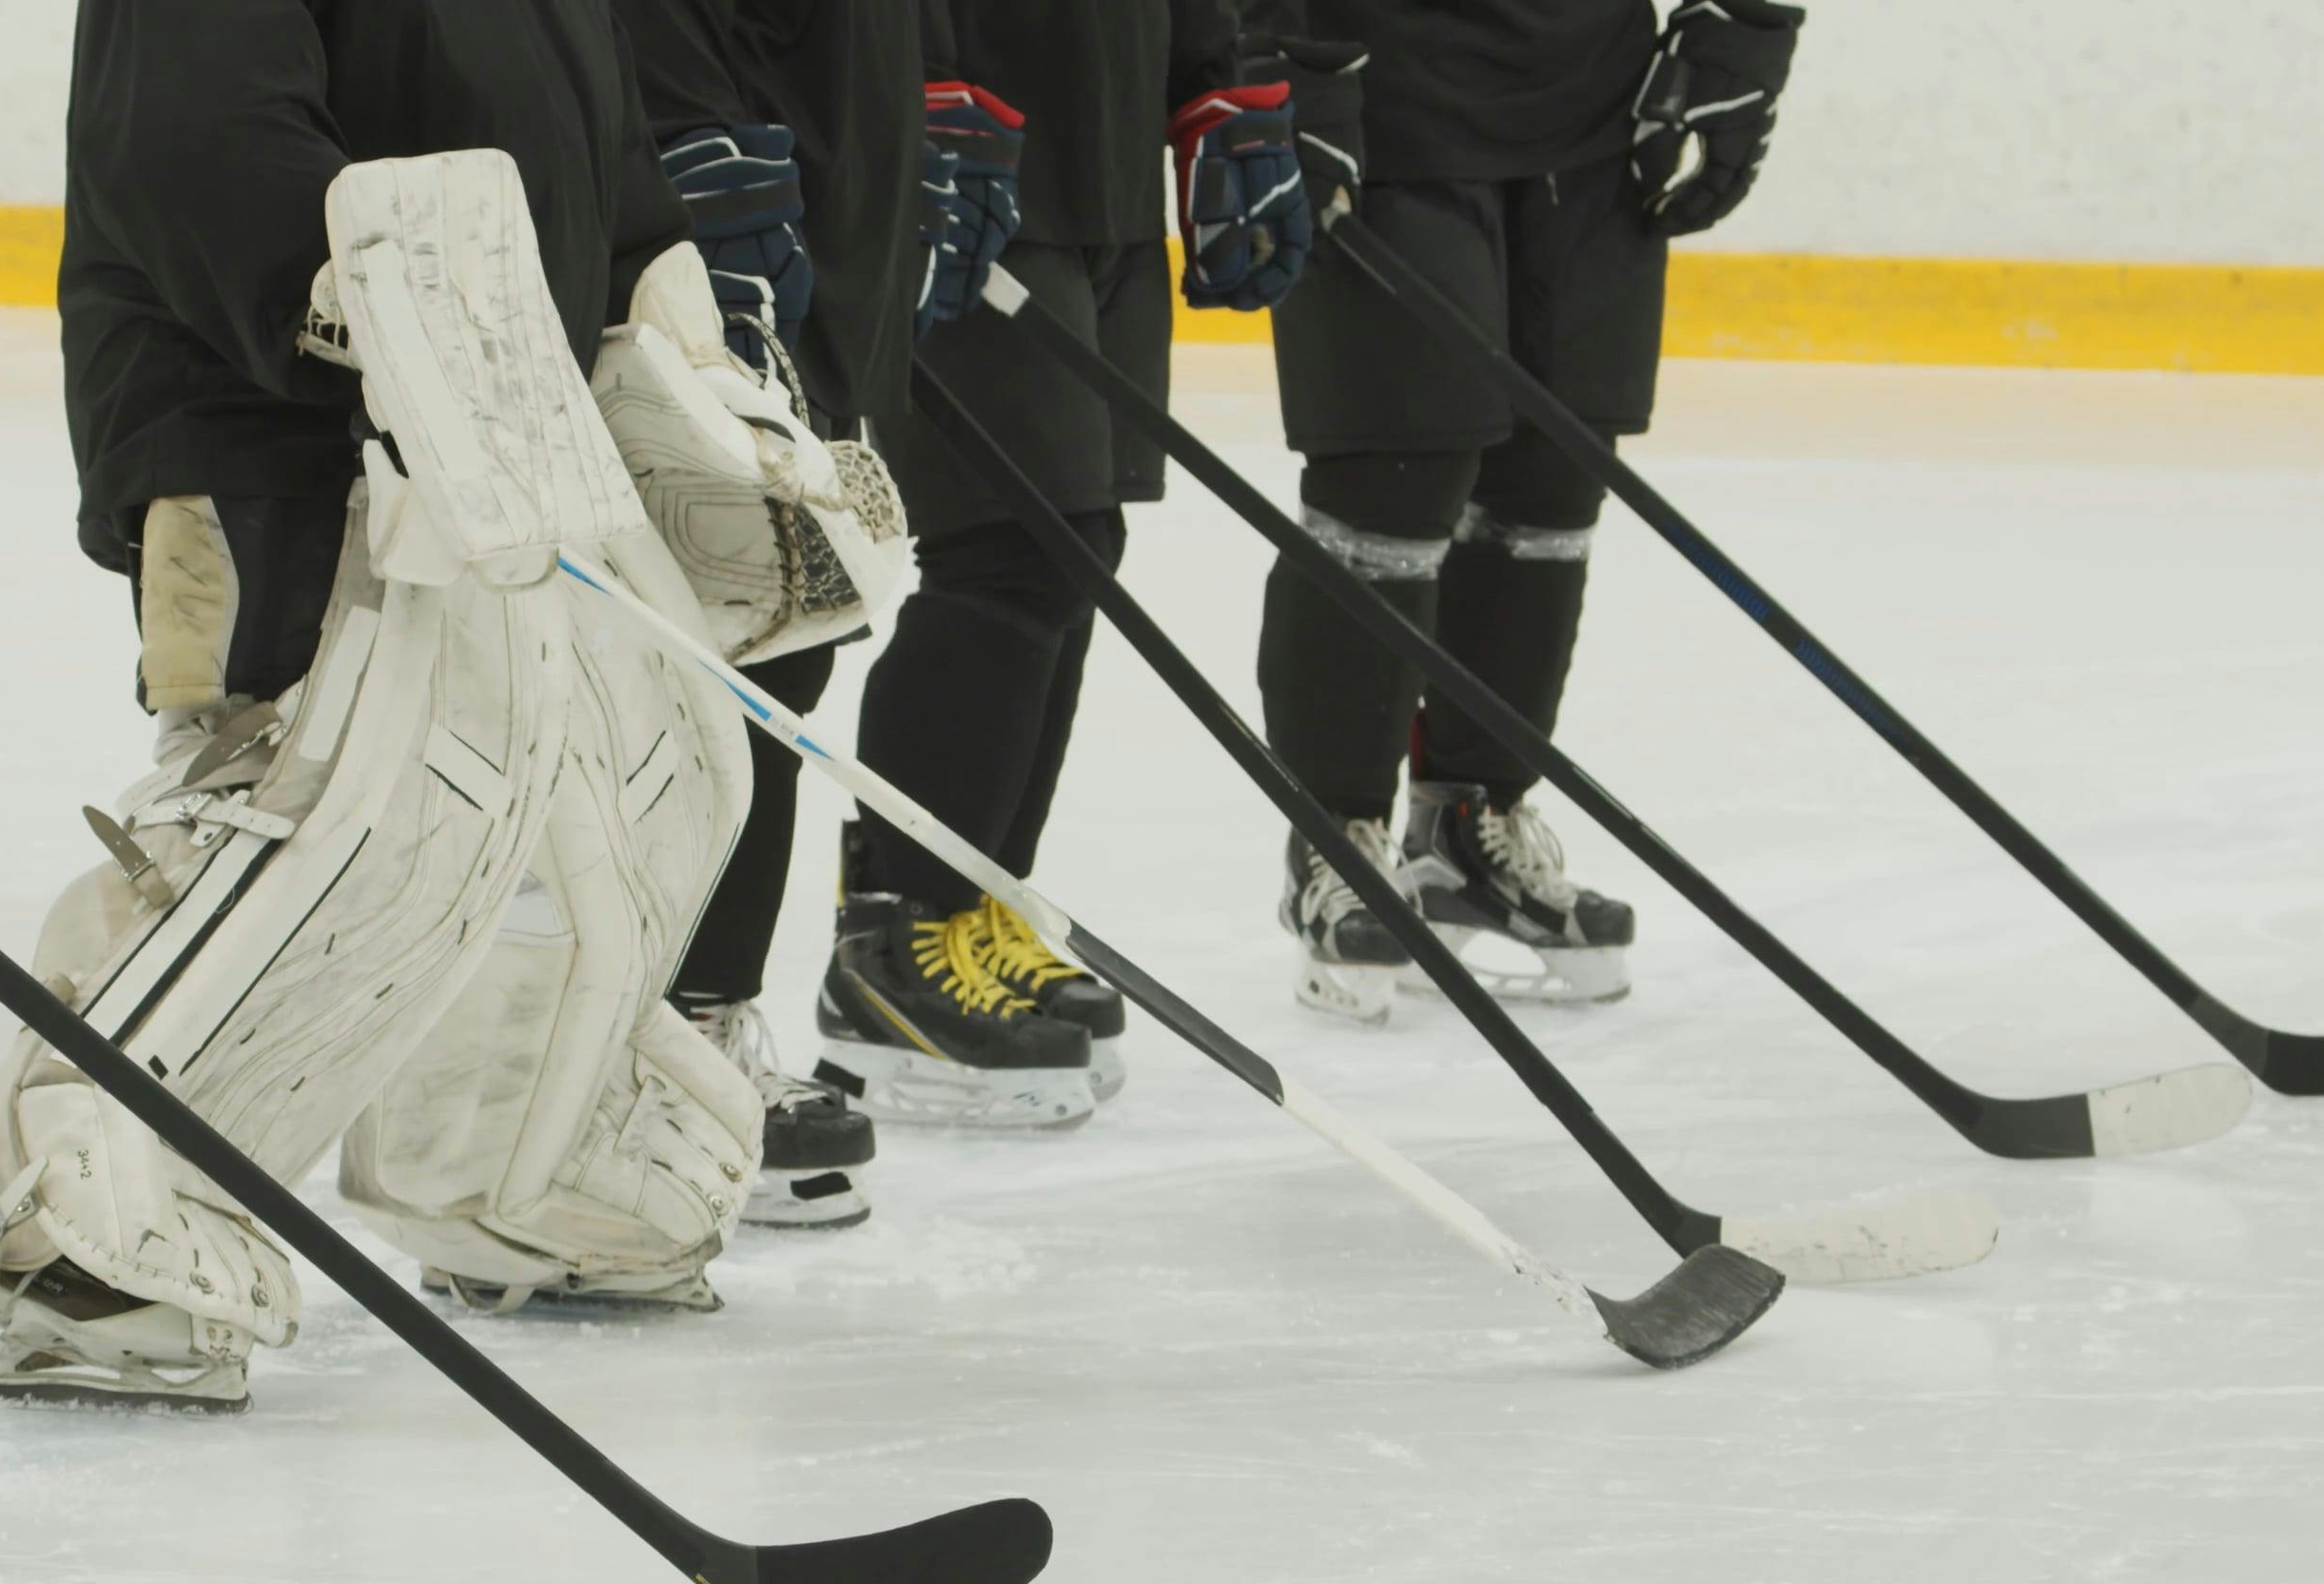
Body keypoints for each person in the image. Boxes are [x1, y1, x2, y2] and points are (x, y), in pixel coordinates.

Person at [0, 0, 909, 1412]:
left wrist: (667, 319)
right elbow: (193, 139)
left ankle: (515, 1166)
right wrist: (370, 312)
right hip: (264, 426)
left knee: (572, 792)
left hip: (503, 438)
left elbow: (596, 150)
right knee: (311, 809)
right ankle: (66, 1231)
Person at [1253, 0, 1804, 1020]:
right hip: (1378, 94)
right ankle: (1335, 843)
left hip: (1599, 106)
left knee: (1553, 482)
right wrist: (1277, 53)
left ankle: (1473, 825)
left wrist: (1745, 25)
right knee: (1395, 481)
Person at [826, 0, 1307, 1127]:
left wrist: (1211, 75)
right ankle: (892, 940)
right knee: (1003, 548)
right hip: (957, 139)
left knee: (1076, 547)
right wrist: (925, 82)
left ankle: (970, 902)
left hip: (1105, 144)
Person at [615, 0, 944, 1230]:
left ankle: (699, 1014)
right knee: (688, 638)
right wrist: (684, 139)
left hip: (834, 192)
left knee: (789, 644)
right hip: (706, 188)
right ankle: (629, 1037)